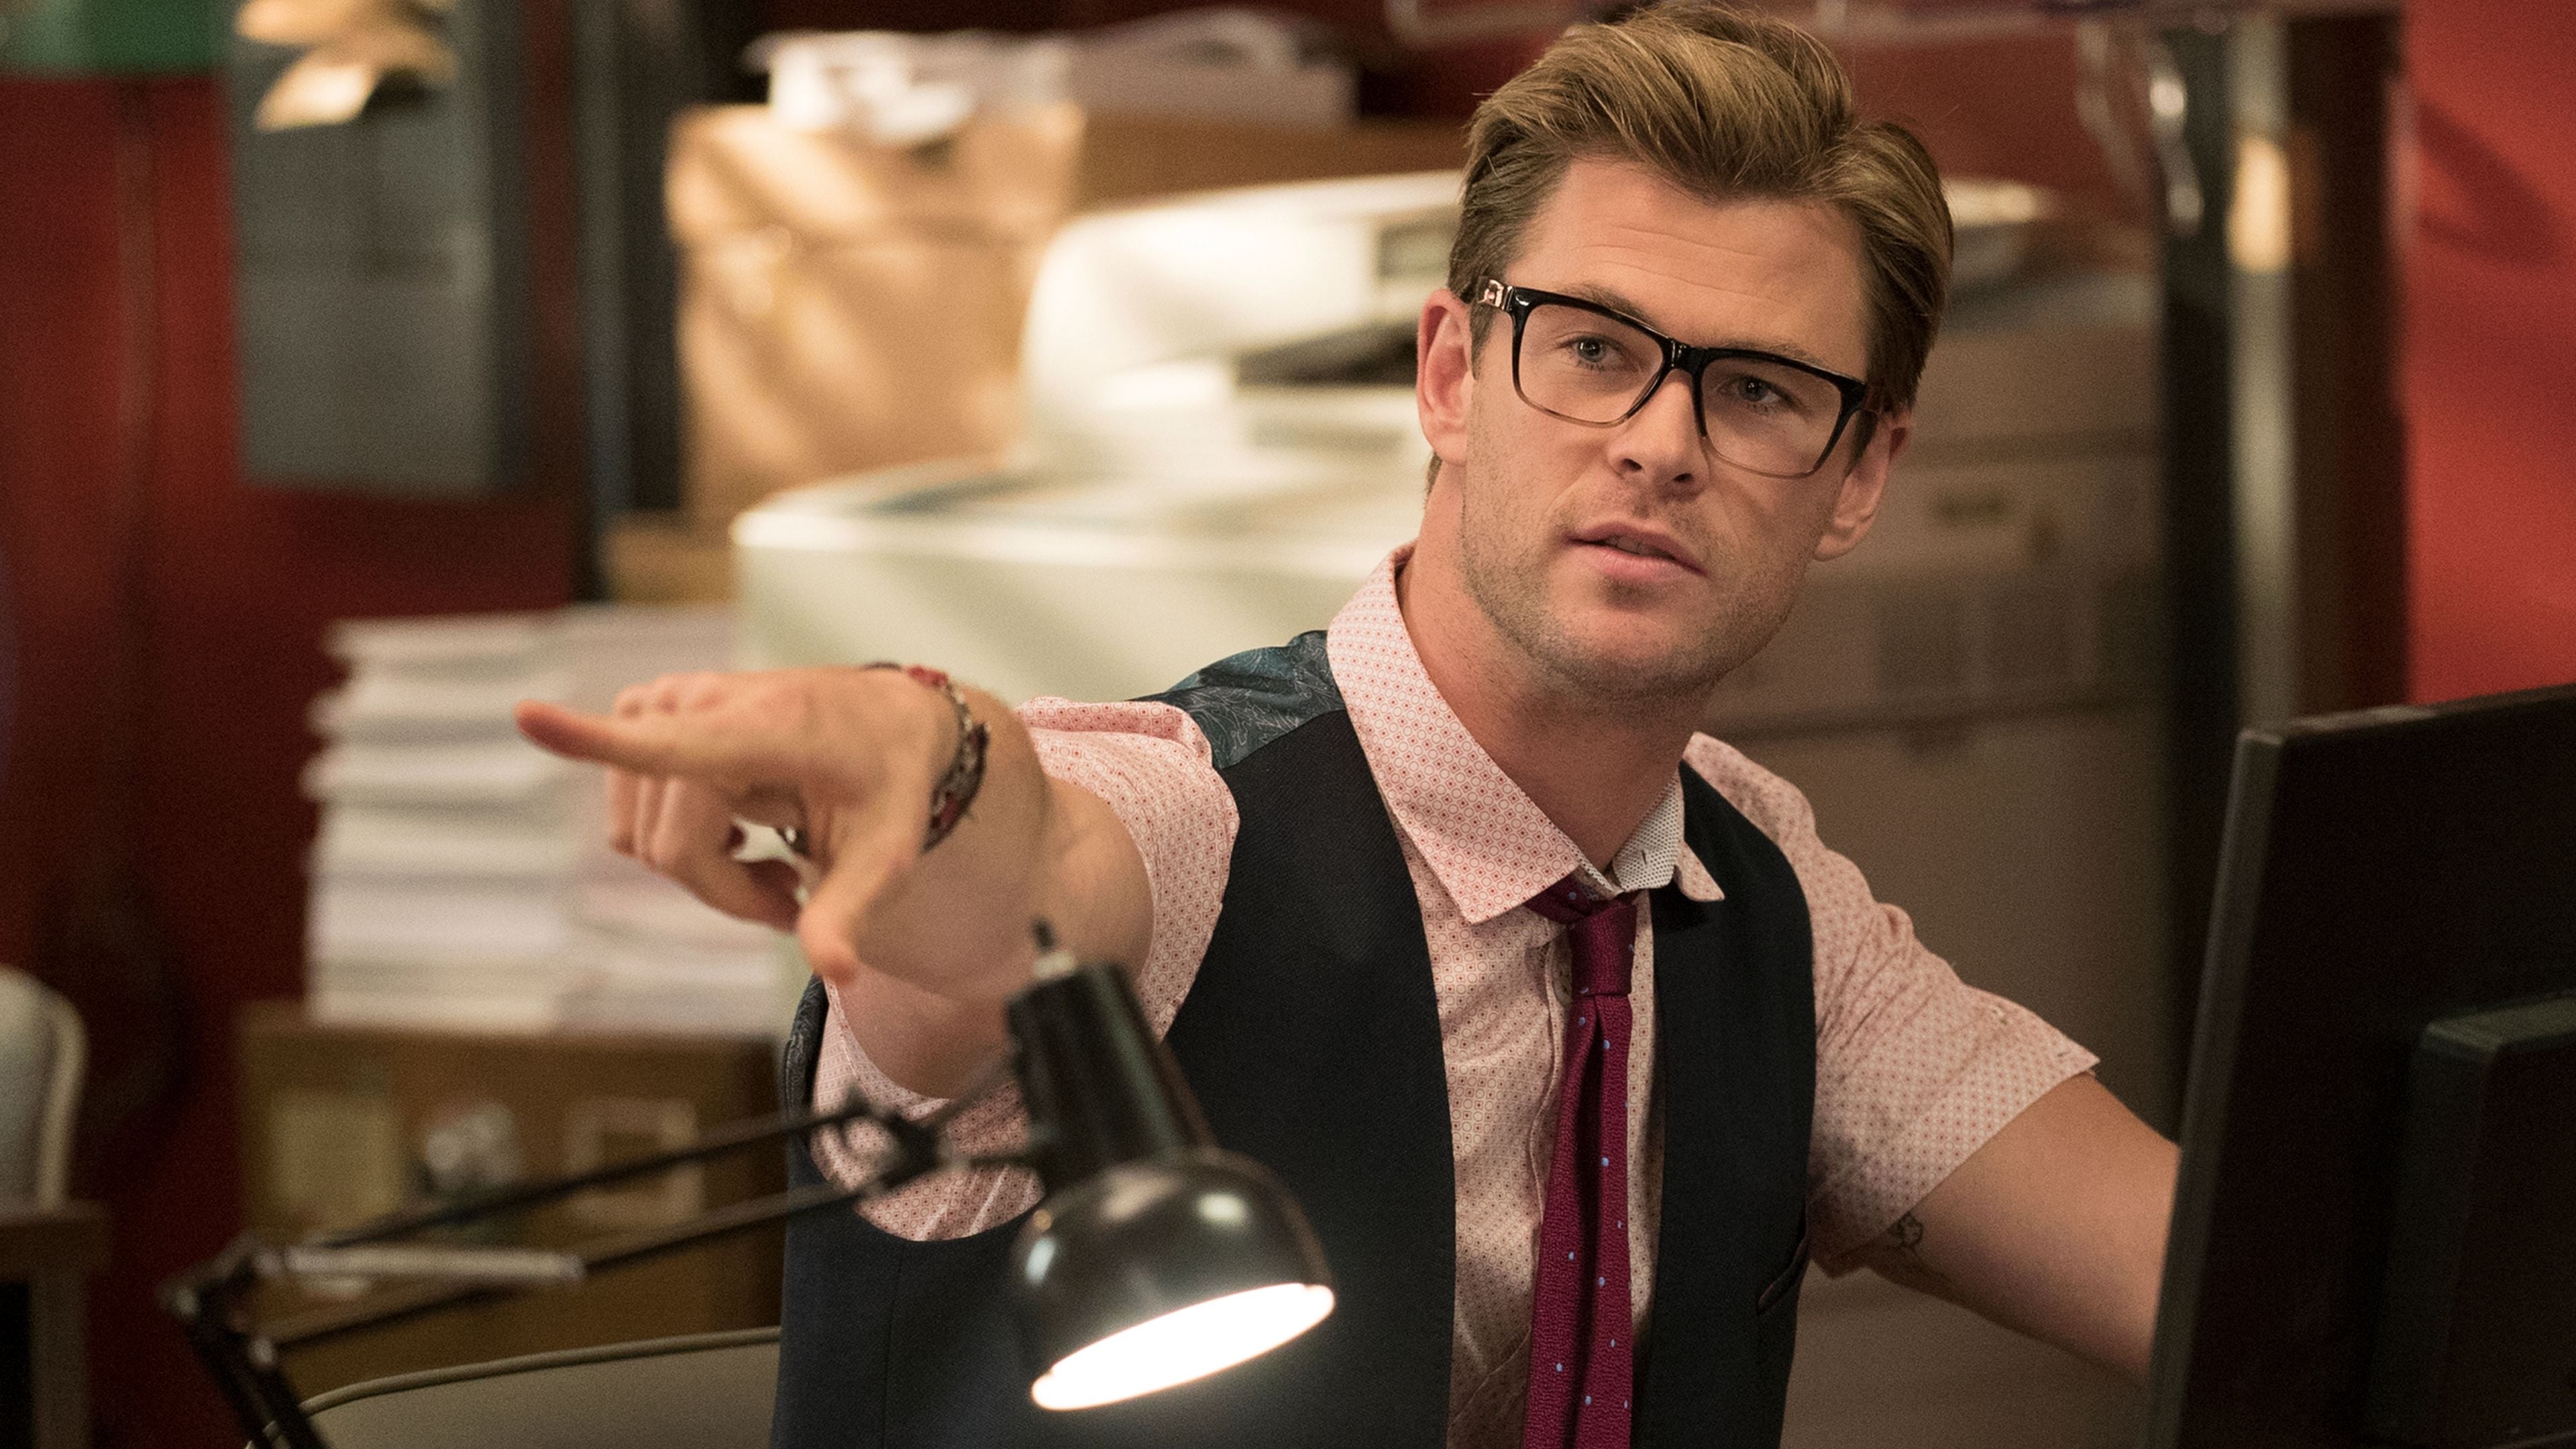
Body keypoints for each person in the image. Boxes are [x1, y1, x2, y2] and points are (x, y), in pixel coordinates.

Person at [517, 6, 2178, 1446]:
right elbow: (1031, 878)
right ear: (1449, 375)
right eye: (1592, 349)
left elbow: (2195, 1272)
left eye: (1757, 391)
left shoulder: (1758, 892)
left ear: (1861, 475)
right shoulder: (1197, 816)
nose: (1661, 443)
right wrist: (930, 756)